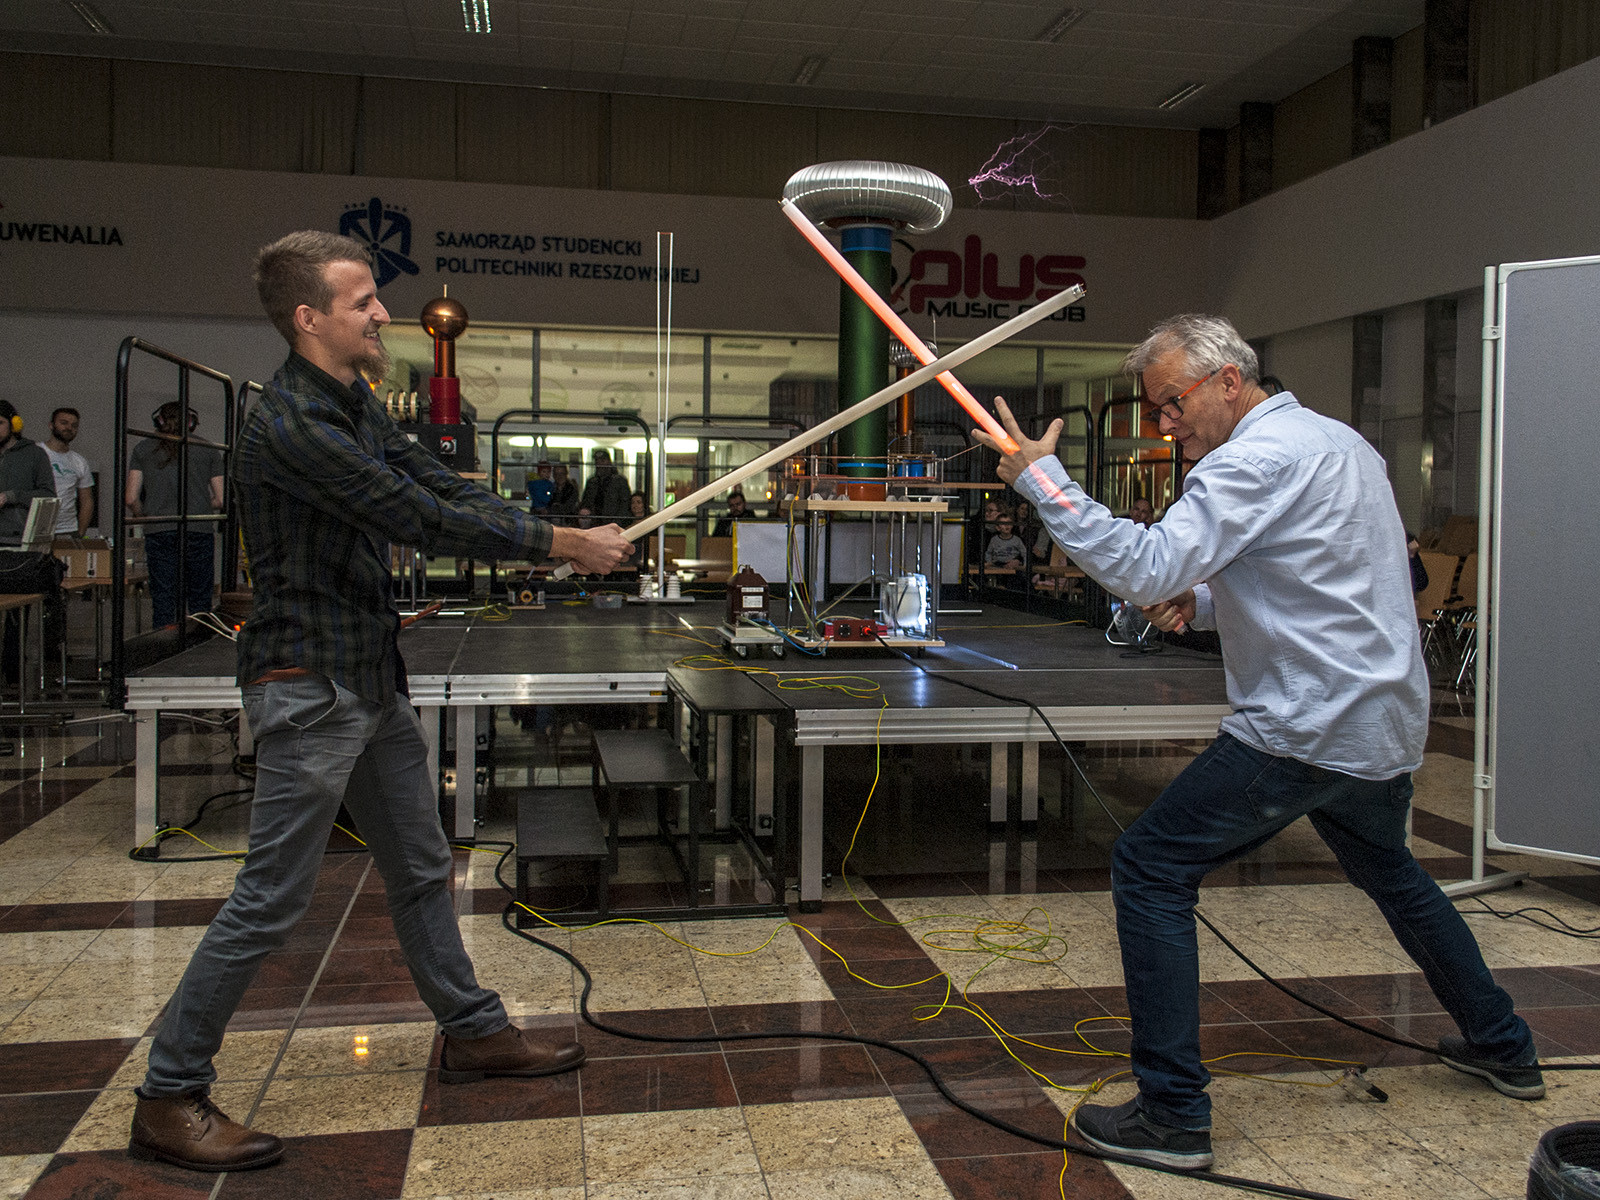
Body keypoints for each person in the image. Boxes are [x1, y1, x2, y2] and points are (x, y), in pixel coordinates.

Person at [972, 313, 1542, 1172]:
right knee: (1395, 875)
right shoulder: (1342, 444)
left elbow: (1148, 563)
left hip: (1304, 727)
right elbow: (1321, 575)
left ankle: (1173, 1116)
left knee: (1150, 867)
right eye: (1156, 409)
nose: (1165, 423)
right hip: (1379, 723)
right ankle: (1503, 1046)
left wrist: (1044, 483)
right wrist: (1200, 605)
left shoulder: (1250, 460)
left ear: (1229, 380)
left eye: (1172, 403)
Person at [127, 231, 633, 1174]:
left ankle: (473, 1032)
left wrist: (547, 530)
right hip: (309, 685)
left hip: (364, 675)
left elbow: (429, 478)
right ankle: (167, 1093)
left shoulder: (351, 398)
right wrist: (563, 545)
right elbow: (414, 516)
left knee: (421, 861)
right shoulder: (290, 425)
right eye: (362, 301)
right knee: (271, 900)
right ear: (308, 318)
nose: (382, 313)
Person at [126, 402, 225, 629]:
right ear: (191, 423)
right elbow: (220, 499)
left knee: (164, 597)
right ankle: (198, 641)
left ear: (158, 421)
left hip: (159, 528)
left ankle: (164, 643)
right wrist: (198, 506)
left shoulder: (143, 448)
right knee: (200, 599)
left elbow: (131, 498)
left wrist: (145, 514)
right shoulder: (208, 448)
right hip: (197, 528)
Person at [0, 399, 55, 540]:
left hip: (19, 539)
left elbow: (48, 496)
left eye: (0, 423)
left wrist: (11, 496)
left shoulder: (35, 454)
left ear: (14, 424)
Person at [43, 407, 95, 535]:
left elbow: (87, 501)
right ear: (51, 425)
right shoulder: (36, 452)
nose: (69, 428)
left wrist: (80, 533)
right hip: (37, 527)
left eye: (74, 425)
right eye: (64, 423)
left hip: (67, 529)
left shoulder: (79, 461)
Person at [578, 449, 631, 522]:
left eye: (602, 461)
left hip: (613, 523)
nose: (599, 464)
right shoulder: (592, 482)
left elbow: (625, 506)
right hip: (595, 523)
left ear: (609, 462)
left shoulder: (620, 481)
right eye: (597, 461)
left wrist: (617, 522)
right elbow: (585, 504)